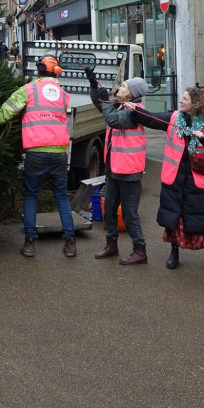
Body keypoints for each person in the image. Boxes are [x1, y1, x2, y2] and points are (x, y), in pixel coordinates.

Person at [124, 86, 204, 273]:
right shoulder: (174, 118)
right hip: (176, 177)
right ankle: (174, 253)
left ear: (195, 103)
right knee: (175, 218)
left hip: (200, 180)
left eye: (185, 99)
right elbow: (151, 118)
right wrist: (135, 109)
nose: (180, 101)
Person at [0, 55, 76, 258]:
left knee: (31, 196)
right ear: (56, 73)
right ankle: (70, 242)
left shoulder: (28, 90)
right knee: (61, 196)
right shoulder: (63, 94)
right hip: (60, 151)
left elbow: (4, 113)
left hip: (36, 152)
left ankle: (29, 243)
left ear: (38, 71)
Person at [85, 68, 149, 264]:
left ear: (132, 93)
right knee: (110, 208)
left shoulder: (133, 111)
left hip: (129, 171)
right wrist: (94, 86)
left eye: (123, 86)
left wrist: (105, 100)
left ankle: (140, 250)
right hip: (114, 168)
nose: (119, 87)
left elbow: (112, 120)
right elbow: (101, 105)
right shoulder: (121, 106)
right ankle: (111, 245)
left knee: (130, 213)